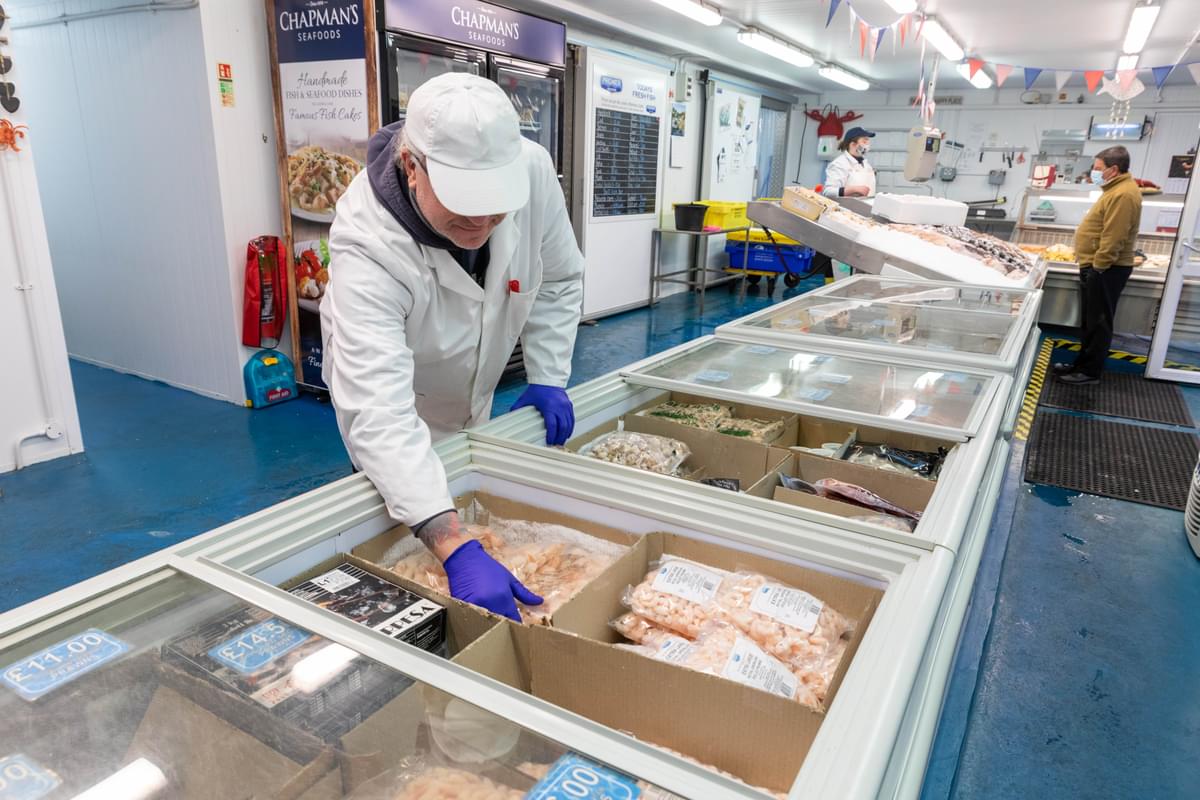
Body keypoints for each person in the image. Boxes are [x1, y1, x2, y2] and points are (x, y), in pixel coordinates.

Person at [321, 73, 584, 620]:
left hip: (476, 412)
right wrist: (451, 546)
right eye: (464, 204)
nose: (482, 223)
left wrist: (548, 374)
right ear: (411, 167)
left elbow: (558, 277)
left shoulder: (533, 170)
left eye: (496, 207)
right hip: (403, 421)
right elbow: (378, 410)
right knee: (405, 574)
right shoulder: (368, 242)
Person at [1054, 146, 1143, 385]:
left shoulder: (1123, 194)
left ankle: (1090, 372)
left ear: (1113, 169)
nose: (1093, 172)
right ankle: (1081, 364)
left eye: (1097, 168)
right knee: (1090, 321)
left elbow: (1114, 236)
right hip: (1097, 266)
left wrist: (1099, 267)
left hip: (1106, 268)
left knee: (1099, 321)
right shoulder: (1114, 190)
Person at [821, 126, 877, 198]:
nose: (868, 145)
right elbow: (828, 191)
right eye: (864, 141)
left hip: (867, 207)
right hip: (847, 208)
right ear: (853, 144)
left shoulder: (866, 164)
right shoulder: (839, 164)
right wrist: (853, 189)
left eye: (868, 141)